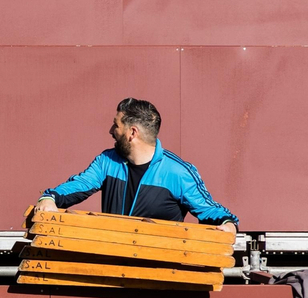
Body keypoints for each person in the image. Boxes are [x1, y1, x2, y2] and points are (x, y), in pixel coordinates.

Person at [37, 98, 239, 232]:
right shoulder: (107, 161)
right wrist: (50, 197)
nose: (111, 130)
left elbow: (209, 209)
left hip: (160, 276)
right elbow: (80, 184)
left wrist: (227, 223)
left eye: (116, 125)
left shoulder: (178, 172)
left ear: (132, 132)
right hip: (113, 269)